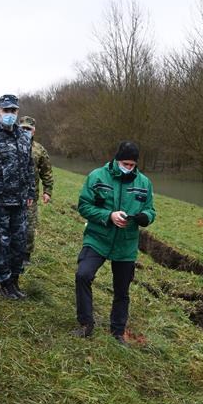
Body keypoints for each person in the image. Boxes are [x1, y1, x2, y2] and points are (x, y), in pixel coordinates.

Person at [73, 141, 156, 345]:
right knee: (83, 275)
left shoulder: (144, 183)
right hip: (97, 238)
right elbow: (83, 206)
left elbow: (150, 210)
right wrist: (108, 215)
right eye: (125, 163)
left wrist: (145, 217)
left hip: (126, 244)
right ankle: (86, 323)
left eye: (132, 165)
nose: (128, 168)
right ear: (117, 160)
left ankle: (117, 331)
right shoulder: (97, 176)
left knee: (122, 291)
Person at [0, 94, 35, 299]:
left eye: (13, 110)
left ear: (17, 112)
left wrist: (30, 191)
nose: (9, 114)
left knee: (19, 243)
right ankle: (3, 281)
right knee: (1, 243)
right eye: (6, 110)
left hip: (19, 201)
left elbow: (29, 166)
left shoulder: (24, 136)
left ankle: (15, 280)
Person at [18, 116, 53, 265]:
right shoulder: (10, 145)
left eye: (29, 129)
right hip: (9, 195)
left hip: (30, 197)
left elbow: (46, 171)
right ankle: (9, 254)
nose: (25, 131)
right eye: (23, 128)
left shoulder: (39, 149)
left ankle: (26, 256)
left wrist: (47, 191)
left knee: (29, 228)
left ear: (34, 131)